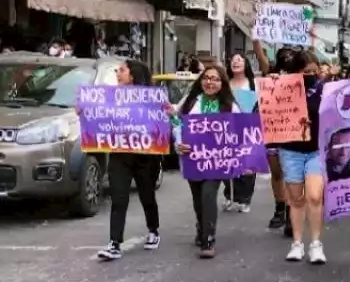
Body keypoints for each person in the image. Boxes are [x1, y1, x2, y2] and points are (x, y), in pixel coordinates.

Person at [171, 65, 240, 258]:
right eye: (206, 78)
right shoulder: (191, 101)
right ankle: (201, 227)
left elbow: (239, 132)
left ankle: (208, 239)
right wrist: (179, 142)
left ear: (222, 83)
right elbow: (177, 121)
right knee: (197, 199)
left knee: (208, 195)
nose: (210, 82)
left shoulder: (230, 106)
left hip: (216, 161)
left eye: (215, 79)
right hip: (192, 159)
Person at [97, 60, 162, 261]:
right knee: (119, 198)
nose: (118, 72)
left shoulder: (151, 98)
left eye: (122, 70)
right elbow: (98, 117)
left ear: (132, 75)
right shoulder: (110, 97)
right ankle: (114, 243)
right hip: (120, 155)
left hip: (145, 156)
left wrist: (167, 113)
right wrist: (84, 111)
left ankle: (153, 230)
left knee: (147, 195)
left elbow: (161, 123)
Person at [271, 48, 328, 264]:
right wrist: (274, 84)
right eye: (305, 72)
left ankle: (315, 243)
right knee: (296, 199)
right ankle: (297, 243)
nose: (311, 75)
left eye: (314, 71)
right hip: (291, 150)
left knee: (314, 196)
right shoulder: (285, 88)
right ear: (296, 72)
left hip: (316, 150)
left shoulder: (326, 90)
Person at [223, 52, 259, 213]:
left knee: (247, 166)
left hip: (248, 129)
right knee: (227, 164)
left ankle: (245, 199)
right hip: (226, 129)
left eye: (239, 59)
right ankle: (230, 196)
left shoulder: (254, 84)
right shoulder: (225, 84)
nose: (235, 62)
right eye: (233, 60)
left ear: (246, 64)